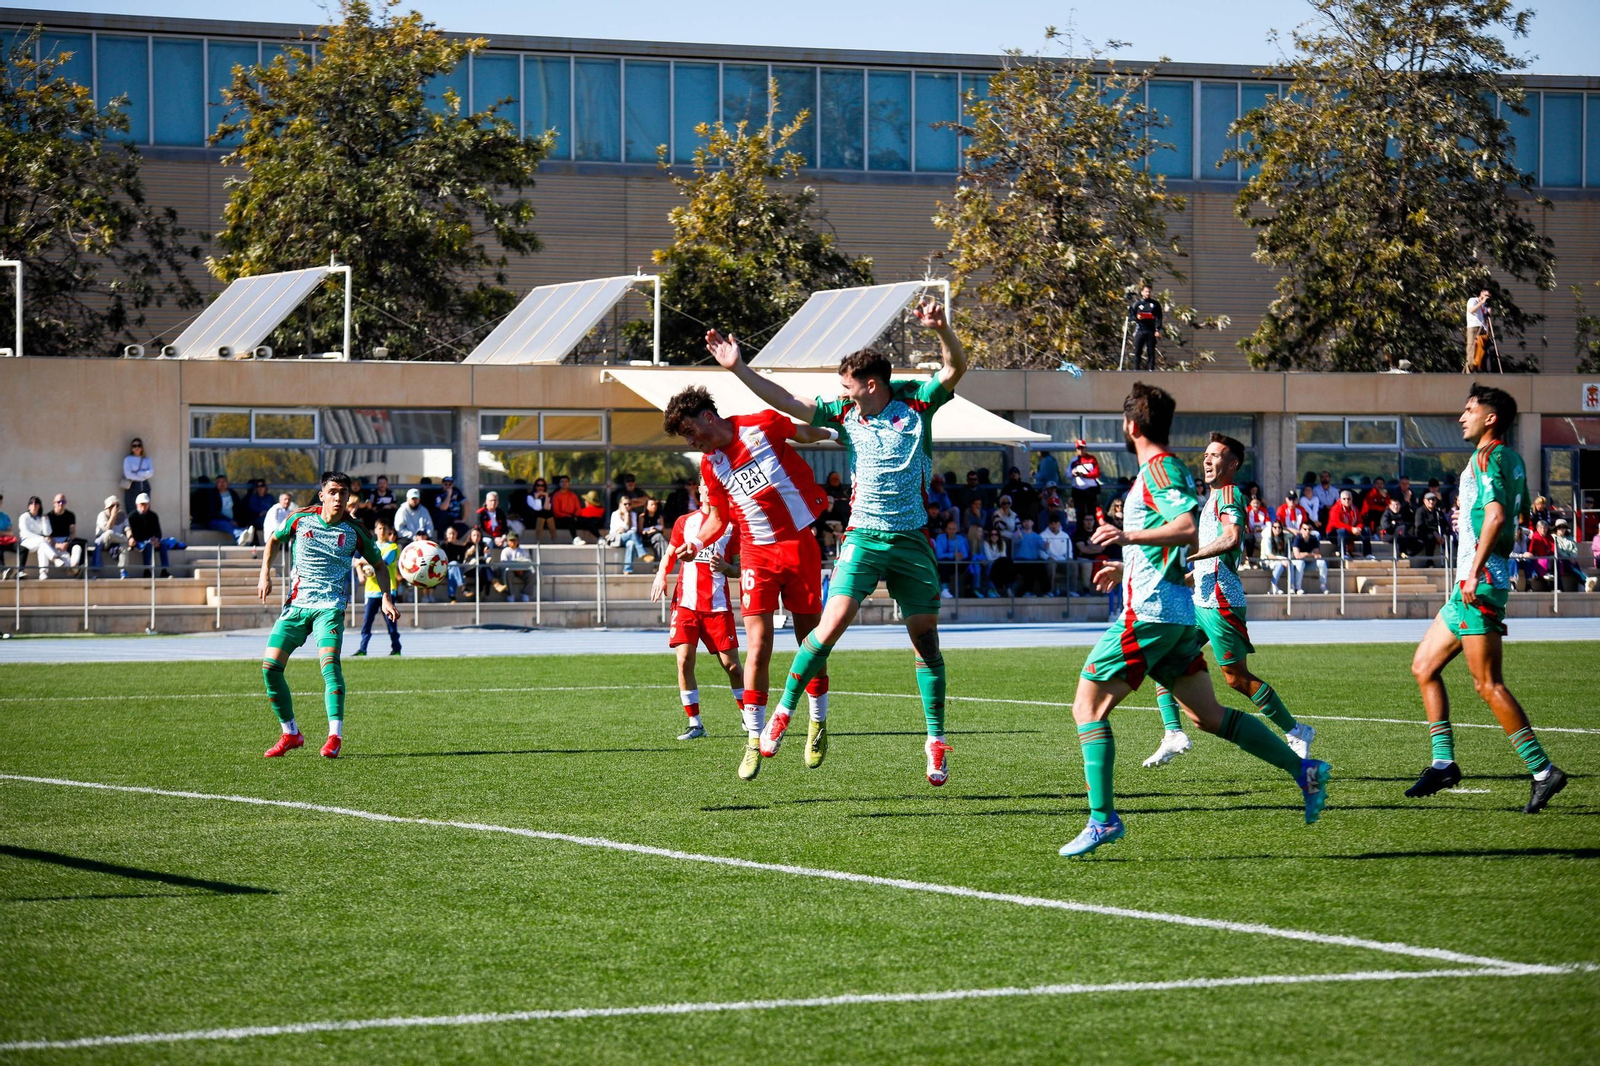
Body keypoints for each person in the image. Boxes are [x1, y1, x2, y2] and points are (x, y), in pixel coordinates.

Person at [1060, 382, 1329, 857]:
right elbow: (1177, 538)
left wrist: (1125, 536)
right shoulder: (1165, 469)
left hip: (1153, 614)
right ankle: (1303, 770)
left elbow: (1185, 527)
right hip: (1180, 613)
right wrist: (1131, 562)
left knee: (1087, 708)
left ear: (1130, 426)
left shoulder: (1160, 468)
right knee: (1209, 717)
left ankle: (1103, 821)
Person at [737, 296, 967, 788]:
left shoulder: (917, 401)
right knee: (829, 627)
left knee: (926, 642)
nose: (841, 391)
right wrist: (739, 368)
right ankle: (783, 712)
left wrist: (942, 329)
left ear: (870, 384)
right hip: (862, 537)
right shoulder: (845, 413)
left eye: (847, 383)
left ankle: (935, 740)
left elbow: (955, 367)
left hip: (911, 540)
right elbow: (787, 401)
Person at [663, 365, 834, 782]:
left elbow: (805, 433)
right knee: (757, 646)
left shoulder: (762, 424)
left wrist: (839, 434)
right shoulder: (710, 466)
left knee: (810, 642)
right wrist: (696, 542)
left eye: (689, 432)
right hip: (757, 553)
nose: (690, 442)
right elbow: (717, 519)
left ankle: (817, 721)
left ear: (708, 417)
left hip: (799, 544)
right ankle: (754, 737)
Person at [1407, 383, 1567, 812]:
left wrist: (1474, 568)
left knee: (1488, 684)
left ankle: (1542, 771)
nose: (1462, 417)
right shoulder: (1511, 458)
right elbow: (1507, 513)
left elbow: (1496, 515)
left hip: (1477, 585)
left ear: (1490, 418)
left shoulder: (1485, 457)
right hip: (1473, 586)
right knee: (1423, 667)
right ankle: (1443, 763)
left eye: (1469, 409)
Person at [1144, 433, 1315, 768]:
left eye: (1215, 455)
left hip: (1222, 601)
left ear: (1233, 464)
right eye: (1205, 454)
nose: (1207, 460)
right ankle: (1173, 734)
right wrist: (1185, 575)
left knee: (1236, 678)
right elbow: (1213, 555)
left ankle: (1296, 730)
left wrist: (1190, 558)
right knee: (1162, 656)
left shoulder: (1230, 493)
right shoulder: (1211, 499)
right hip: (1201, 598)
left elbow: (1232, 537)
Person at [256, 471, 394, 760]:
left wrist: (386, 597)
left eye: (343, 493)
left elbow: (380, 566)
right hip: (296, 606)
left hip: (329, 608)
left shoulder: (355, 531)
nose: (338, 498)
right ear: (322, 495)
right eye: (332, 492)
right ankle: (290, 732)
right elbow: (273, 540)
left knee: (329, 664)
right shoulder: (300, 518)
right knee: (270, 667)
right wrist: (264, 574)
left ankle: (335, 736)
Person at [650, 486, 745, 740]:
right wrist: (661, 574)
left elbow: (740, 568)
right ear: (700, 490)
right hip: (686, 604)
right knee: (684, 661)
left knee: (733, 666)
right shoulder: (685, 522)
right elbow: (670, 553)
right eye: (706, 486)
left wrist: (726, 567)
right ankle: (695, 723)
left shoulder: (730, 525)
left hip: (717, 607)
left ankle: (749, 716)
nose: (710, 491)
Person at [354, 520, 402, 657]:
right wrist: (360, 572)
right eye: (379, 528)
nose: (382, 531)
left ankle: (396, 648)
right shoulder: (371, 546)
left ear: (388, 531)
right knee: (367, 623)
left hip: (387, 592)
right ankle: (363, 649)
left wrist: (361, 562)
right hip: (371, 592)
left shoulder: (393, 547)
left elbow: (383, 562)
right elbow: (356, 561)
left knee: (391, 623)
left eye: (384, 528)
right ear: (375, 530)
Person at [128, 493, 182, 578]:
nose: (144, 506)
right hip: (140, 541)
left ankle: (164, 570)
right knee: (148, 546)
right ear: (137, 505)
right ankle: (147, 571)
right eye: (142, 504)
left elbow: (158, 531)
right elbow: (133, 532)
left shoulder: (153, 516)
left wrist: (156, 539)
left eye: (146, 504)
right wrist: (147, 540)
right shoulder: (132, 516)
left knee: (163, 545)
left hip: (151, 540)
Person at [195, 476, 252, 545]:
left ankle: (244, 540)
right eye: (219, 482)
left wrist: (239, 521)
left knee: (239, 526)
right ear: (216, 484)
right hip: (216, 521)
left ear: (227, 483)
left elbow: (239, 509)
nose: (222, 484)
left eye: (223, 482)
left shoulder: (232, 493)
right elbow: (213, 512)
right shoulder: (212, 494)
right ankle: (240, 536)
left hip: (232, 520)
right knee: (226, 525)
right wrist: (229, 520)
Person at [19, 496, 65, 578]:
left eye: (36, 503)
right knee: (42, 541)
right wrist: (42, 538)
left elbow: (48, 533)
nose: (34, 505)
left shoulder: (42, 517)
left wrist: (45, 521)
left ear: (39, 505)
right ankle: (55, 559)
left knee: (42, 547)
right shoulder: (24, 517)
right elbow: (25, 533)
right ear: (28, 506)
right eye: (31, 503)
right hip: (26, 542)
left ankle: (43, 572)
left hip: (40, 543)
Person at [605, 496, 650, 575]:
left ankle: (627, 569)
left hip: (628, 537)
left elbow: (634, 529)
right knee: (631, 534)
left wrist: (624, 529)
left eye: (629, 504)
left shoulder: (633, 514)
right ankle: (643, 554)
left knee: (631, 543)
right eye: (625, 504)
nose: (627, 506)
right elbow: (618, 529)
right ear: (620, 504)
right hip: (616, 539)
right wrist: (626, 516)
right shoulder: (615, 514)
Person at [1323, 488, 1370, 558]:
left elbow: (1360, 521)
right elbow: (1337, 523)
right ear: (1340, 499)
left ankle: (1368, 554)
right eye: (1344, 499)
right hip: (1333, 534)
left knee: (1366, 530)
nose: (1346, 501)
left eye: (1348, 499)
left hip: (1350, 532)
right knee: (1342, 531)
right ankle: (1342, 553)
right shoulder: (1335, 508)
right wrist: (1352, 529)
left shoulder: (1354, 509)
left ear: (1352, 499)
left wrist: (1359, 528)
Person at [91, 496, 131, 576]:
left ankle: (123, 570)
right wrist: (113, 515)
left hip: (118, 540)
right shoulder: (102, 515)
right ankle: (126, 540)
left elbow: (127, 527)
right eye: (113, 506)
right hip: (104, 540)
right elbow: (107, 528)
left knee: (123, 545)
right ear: (108, 507)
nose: (116, 508)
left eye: (117, 505)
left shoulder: (122, 514)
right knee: (110, 533)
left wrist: (130, 537)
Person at [933, 518, 973, 599]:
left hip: (957, 563)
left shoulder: (960, 538)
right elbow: (939, 555)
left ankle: (970, 591)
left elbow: (964, 554)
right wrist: (953, 555)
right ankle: (944, 589)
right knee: (943, 563)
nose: (951, 531)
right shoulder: (940, 537)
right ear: (946, 530)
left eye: (953, 529)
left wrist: (960, 556)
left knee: (970, 565)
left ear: (957, 530)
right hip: (945, 564)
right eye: (949, 529)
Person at [1127, 284, 1163, 371]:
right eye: (1146, 291)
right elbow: (1130, 316)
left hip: (1151, 330)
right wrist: (1137, 317)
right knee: (1138, 351)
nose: (1148, 293)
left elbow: (1159, 317)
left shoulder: (1155, 304)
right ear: (1142, 292)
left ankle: (1151, 370)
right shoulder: (1137, 304)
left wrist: (1158, 329)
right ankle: (1136, 370)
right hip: (1140, 330)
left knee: (1151, 351)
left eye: (1149, 292)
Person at [1040, 513, 1078, 596]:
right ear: (1049, 524)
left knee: (1073, 564)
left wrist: (1069, 558)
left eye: (1056, 523)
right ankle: (1050, 591)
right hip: (1050, 561)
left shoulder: (1065, 535)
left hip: (1063, 561)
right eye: (1052, 523)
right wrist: (1048, 557)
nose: (1054, 525)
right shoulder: (1043, 535)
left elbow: (1069, 551)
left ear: (1059, 524)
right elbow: (1041, 552)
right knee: (1051, 564)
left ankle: (1072, 591)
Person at [1068, 441, 1101, 533]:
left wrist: (1084, 475)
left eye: (1082, 448)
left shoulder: (1092, 459)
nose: (1081, 450)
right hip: (1078, 490)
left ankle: (1094, 531)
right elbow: (1068, 474)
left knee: (1092, 512)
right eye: (1079, 448)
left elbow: (1097, 473)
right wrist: (1073, 474)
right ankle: (1081, 532)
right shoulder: (1074, 460)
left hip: (1090, 490)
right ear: (1076, 450)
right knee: (1080, 513)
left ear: (1086, 448)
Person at [464, 527, 506, 596]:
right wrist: (469, 553)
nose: (476, 537)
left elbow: (486, 550)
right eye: (474, 535)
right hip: (469, 568)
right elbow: (466, 558)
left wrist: (486, 553)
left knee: (482, 566)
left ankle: (479, 593)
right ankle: (495, 583)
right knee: (483, 564)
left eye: (478, 535)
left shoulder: (483, 545)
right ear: (470, 536)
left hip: (480, 568)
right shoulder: (467, 545)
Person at [1291, 519, 1329, 593]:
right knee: (1300, 563)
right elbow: (1297, 555)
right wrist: (1309, 554)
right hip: (1296, 563)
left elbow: (1316, 555)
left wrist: (1305, 554)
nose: (1307, 531)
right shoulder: (1297, 538)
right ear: (1301, 529)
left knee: (1322, 562)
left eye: (1309, 529)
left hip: (1308, 562)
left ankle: (1323, 585)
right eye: (1305, 529)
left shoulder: (1313, 538)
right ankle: (1298, 587)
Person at [1012, 516, 1047, 595]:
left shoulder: (1036, 536)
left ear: (1032, 523)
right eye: (1025, 521)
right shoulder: (1017, 533)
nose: (1027, 523)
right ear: (1022, 523)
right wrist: (1019, 538)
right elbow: (1016, 541)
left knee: (1041, 567)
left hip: (1033, 561)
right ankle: (1026, 591)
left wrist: (1046, 546)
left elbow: (1043, 546)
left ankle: (1046, 592)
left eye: (1028, 521)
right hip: (1019, 561)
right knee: (1030, 569)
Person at [1414, 491, 1448, 564]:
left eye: (1433, 499)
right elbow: (1420, 526)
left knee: (1449, 539)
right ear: (1424, 501)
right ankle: (1429, 562)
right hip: (1425, 533)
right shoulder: (1420, 511)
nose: (1431, 502)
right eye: (1429, 500)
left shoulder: (1437, 511)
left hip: (1438, 534)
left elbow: (1444, 524)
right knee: (1430, 537)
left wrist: (1444, 535)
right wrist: (1434, 533)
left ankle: (1450, 561)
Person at [122, 437, 153, 515]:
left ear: (142, 448)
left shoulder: (147, 459)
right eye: (134, 446)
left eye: (139, 445)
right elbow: (128, 475)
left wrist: (137, 472)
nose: (137, 448)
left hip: (145, 485)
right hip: (132, 486)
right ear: (132, 448)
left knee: (145, 508)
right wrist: (143, 474)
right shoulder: (128, 459)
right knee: (132, 509)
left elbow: (151, 473)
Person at [500, 531, 534, 602]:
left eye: (515, 540)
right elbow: (504, 563)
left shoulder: (522, 551)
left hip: (522, 571)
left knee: (532, 574)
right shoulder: (505, 551)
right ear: (508, 541)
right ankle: (510, 594)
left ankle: (525, 593)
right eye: (511, 540)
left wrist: (522, 569)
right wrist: (515, 568)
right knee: (507, 573)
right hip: (511, 571)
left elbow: (527, 561)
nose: (513, 542)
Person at [1260, 518, 1292, 594]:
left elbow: (1292, 535)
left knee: (1289, 562)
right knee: (1280, 564)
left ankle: (1291, 586)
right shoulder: (1267, 538)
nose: (1277, 529)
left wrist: (1285, 529)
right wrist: (1281, 560)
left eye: (1279, 527)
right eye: (1275, 527)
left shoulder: (1282, 538)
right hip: (1266, 562)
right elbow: (1269, 555)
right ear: (1272, 528)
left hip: (1276, 561)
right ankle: (1274, 585)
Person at [978, 526, 1011, 597]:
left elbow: (1003, 556)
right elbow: (989, 558)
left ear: (998, 536)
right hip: (992, 564)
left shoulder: (1003, 543)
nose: (994, 536)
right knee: (991, 566)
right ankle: (991, 590)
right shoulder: (986, 543)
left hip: (1000, 564)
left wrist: (997, 560)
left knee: (1008, 564)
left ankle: (1008, 589)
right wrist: (997, 560)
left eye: (996, 534)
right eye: (992, 535)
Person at [439, 526, 468, 601]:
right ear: (446, 534)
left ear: (456, 534)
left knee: (453, 570)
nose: (452, 535)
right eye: (450, 533)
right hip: (444, 568)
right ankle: (462, 585)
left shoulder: (460, 546)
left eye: (453, 533)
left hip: (456, 568)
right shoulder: (442, 545)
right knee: (454, 564)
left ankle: (452, 597)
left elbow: (461, 560)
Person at [636, 496, 670, 562]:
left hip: (658, 538)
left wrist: (656, 529)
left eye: (655, 504)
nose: (654, 506)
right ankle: (669, 555)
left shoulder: (659, 517)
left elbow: (663, 530)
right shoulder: (642, 517)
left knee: (659, 544)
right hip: (647, 538)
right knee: (660, 538)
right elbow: (640, 531)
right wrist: (649, 531)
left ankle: (657, 566)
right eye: (652, 505)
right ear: (647, 506)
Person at [1465, 289, 1490, 373]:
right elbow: (1471, 310)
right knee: (1472, 349)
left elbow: (1485, 318)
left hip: (1483, 328)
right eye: (1486, 294)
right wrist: (1482, 302)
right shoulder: (1473, 300)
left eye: (1489, 296)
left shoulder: (1485, 305)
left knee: (1482, 350)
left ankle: (1480, 370)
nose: (1487, 296)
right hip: (1474, 327)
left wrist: (1489, 312)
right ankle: (1470, 370)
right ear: (1481, 292)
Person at [525, 479, 556, 543]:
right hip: (532, 518)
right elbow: (537, 508)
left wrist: (547, 496)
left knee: (547, 513)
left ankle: (552, 536)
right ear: (535, 486)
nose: (540, 487)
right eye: (538, 485)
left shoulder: (546, 496)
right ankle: (542, 538)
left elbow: (547, 508)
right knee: (544, 514)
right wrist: (536, 498)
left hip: (544, 519)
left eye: (542, 485)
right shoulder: (530, 496)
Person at [0, 494, 15, 578]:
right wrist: (4, 532)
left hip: (5, 541)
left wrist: (1, 533)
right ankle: (3, 570)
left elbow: (11, 533)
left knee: (22, 548)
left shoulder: (4, 517)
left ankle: (20, 571)